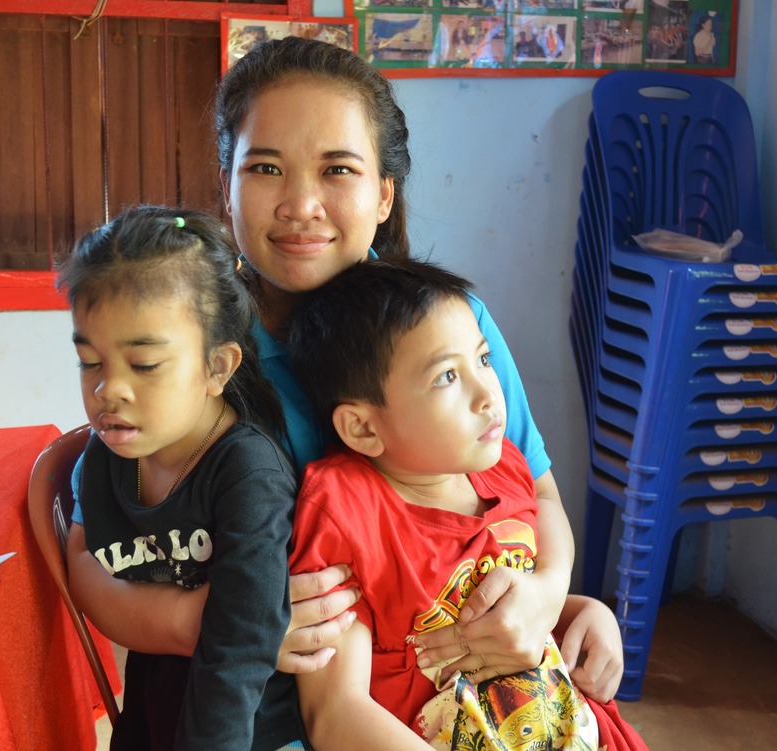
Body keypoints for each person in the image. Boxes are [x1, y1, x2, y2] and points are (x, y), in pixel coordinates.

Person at [67, 36, 624, 748]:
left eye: (338, 169)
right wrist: (218, 619)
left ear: (384, 193)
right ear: (226, 184)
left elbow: (528, 494)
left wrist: (548, 595)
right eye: (264, 167)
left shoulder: (452, 328)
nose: (300, 203)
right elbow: (95, 541)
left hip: (438, 696)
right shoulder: (190, 347)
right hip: (247, 707)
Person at [287, 258, 646, 750]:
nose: (487, 394)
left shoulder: (505, 466)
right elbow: (335, 714)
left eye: (481, 359)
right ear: (363, 428)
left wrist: (584, 612)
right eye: (445, 378)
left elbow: (518, 606)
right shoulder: (346, 512)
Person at [59, 206, 302, 749]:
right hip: (155, 716)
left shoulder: (247, 475)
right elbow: (83, 560)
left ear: (218, 368)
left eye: (143, 366)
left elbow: (237, 653)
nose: (108, 391)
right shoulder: (104, 458)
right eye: (90, 361)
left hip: (250, 727)